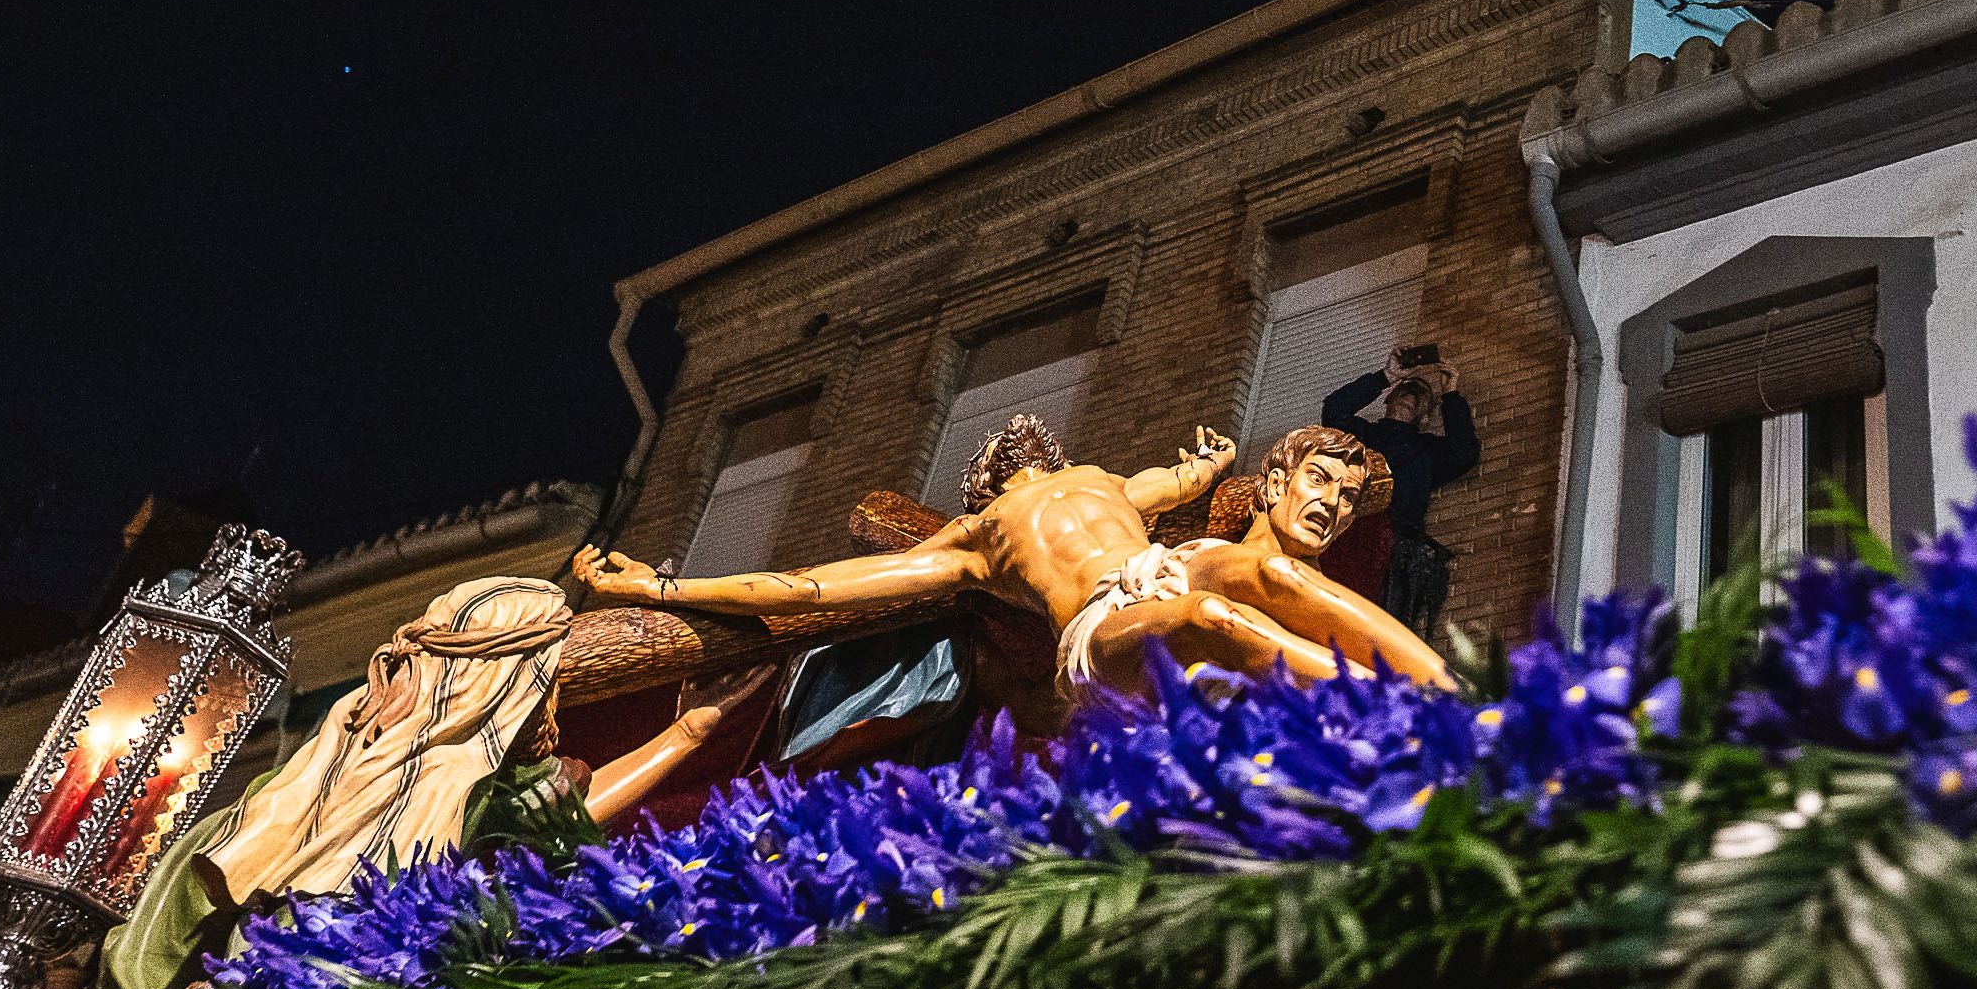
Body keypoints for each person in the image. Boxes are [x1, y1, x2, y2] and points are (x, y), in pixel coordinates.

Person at [577, 413, 1453, 694]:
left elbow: (1177, 485)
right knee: (1215, 617)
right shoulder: (972, 540)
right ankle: (1391, 706)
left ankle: (1446, 691)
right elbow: (809, 589)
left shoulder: (1106, 482)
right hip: (1105, 625)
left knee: (1272, 570)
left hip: (1167, 565)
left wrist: (1211, 467)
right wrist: (667, 585)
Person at [1322, 348, 1480, 634]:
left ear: (1425, 417)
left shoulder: (1427, 451)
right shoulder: (1361, 436)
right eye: (1406, 390)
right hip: (1347, 535)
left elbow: (1464, 454)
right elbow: (1334, 410)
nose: (1410, 395)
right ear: (1388, 398)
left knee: (1371, 629)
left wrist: (1451, 395)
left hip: (1393, 546)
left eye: (1420, 397)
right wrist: (1386, 376)